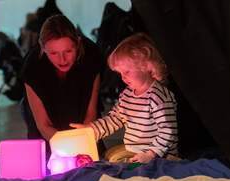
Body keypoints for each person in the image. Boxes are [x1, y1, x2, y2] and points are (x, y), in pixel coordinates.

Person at [70, 33, 178, 163]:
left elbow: (167, 131)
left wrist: (151, 154)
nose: (123, 77)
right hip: (134, 150)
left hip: (160, 155)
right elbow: (115, 119)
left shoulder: (158, 97)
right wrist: (92, 130)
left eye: (126, 72)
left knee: (117, 162)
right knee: (109, 156)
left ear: (147, 66)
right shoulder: (127, 94)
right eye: (120, 73)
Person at [20, 15, 104, 160]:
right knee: (45, 165)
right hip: (46, 129)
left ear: (78, 43)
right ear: (43, 48)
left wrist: (82, 147)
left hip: (81, 121)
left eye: (68, 51)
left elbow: (90, 115)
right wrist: (67, 151)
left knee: (92, 162)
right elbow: (43, 124)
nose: (62, 59)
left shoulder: (91, 56)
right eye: (53, 53)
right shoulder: (32, 68)